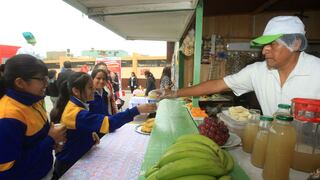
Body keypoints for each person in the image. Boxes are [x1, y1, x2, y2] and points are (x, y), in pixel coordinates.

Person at [155, 16, 320, 116]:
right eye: (264, 45)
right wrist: (175, 93)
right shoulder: (258, 71)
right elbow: (217, 84)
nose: (264, 51)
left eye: (272, 44)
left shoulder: (316, 72)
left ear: (296, 44)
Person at [49, 72, 156, 179]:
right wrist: (136, 110)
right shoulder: (76, 113)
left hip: (74, 157)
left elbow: (78, 131)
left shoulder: (77, 105)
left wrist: (90, 135)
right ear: (76, 91)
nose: (94, 90)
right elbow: (109, 123)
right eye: (90, 88)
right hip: (68, 164)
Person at [0, 54, 66, 179]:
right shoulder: (7, 117)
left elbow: (33, 142)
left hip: (47, 172)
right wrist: (50, 139)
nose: (47, 83)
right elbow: (7, 172)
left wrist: (52, 142)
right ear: (20, 82)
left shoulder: (34, 101)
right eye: (41, 79)